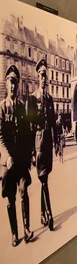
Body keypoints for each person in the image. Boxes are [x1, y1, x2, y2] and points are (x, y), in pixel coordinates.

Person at [0, 65, 34, 246]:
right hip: (8, 161)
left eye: (16, 83)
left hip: (20, 160)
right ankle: (15, 233)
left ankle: (26, 228)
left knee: (24, 191)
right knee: (10, 196)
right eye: (11, 82)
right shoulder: (2, 108)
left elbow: (27, 134)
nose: (13, 86)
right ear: (6, 84)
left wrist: (30, 155)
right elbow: (0, 138)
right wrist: (6, 157)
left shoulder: (21, 107)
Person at [30, 59, 57, 231]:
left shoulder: (50, 99)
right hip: (38, 141)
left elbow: (53, 122)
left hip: (48, 141)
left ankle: (42, 213)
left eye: (45, 75)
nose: (44, 78)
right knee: (43, 179)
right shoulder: (33, 98)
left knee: (45, 178)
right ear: (37, 77)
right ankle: (50, 214)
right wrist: (32, 151)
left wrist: (56, 141)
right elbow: (30, 126)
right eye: (41, 75)